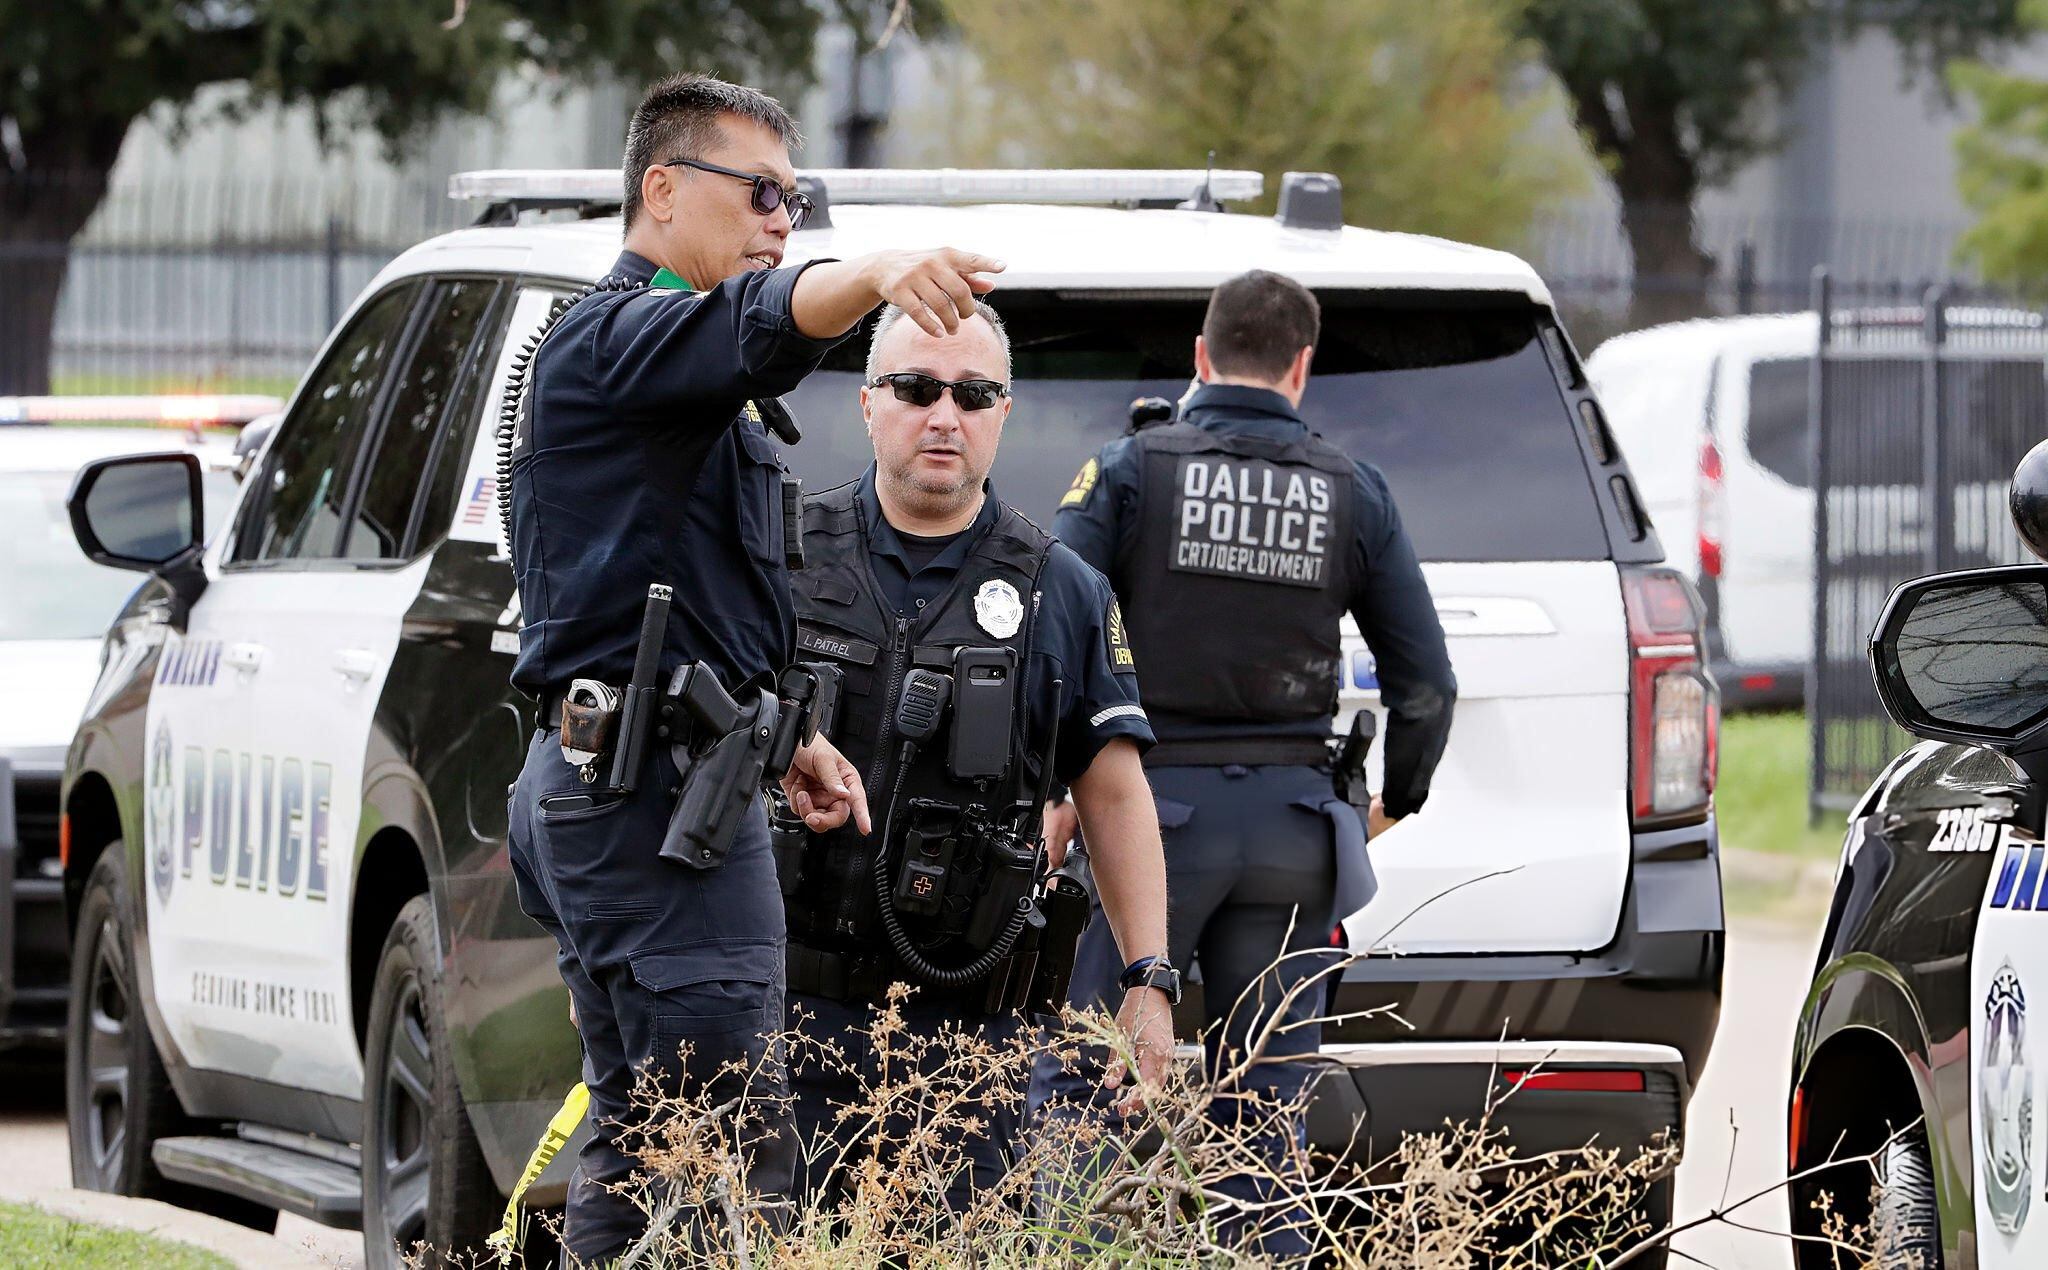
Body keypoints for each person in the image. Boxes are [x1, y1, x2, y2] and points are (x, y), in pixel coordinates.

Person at [504, 73, 1003, 1264]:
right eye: (764, 192)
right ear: (662, 189)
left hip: (658, 782)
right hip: (649, 807)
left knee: (656, 1141)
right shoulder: (621, 335)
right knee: (724, 1155)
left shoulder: (664, 381)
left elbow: (683, 597)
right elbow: (764, 322)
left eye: (800, 199)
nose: (784, 220)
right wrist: (877, 273)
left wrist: (789, 737)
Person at [1030, 268, 1457, 1254]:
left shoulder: (1129, 471)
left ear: (1198, 357)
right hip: (1288, 837)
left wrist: (1060, 788)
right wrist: (1395, 798)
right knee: (1261, 1118)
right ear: (1301, 367)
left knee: (1091, 1086)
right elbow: (1425, 682)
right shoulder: (1353, 491)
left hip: (1146, 820)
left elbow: (1055, 622)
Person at [777, 299, 1177, 1216]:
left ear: (1006, 412)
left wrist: (1148, 980)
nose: (944, 415)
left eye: (973, 393)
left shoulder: (1062, 591)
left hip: (965, 1048)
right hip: (781, 1023)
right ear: (869, 404)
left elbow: (1114, 797)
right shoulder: (783, 557)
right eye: (916, 388)